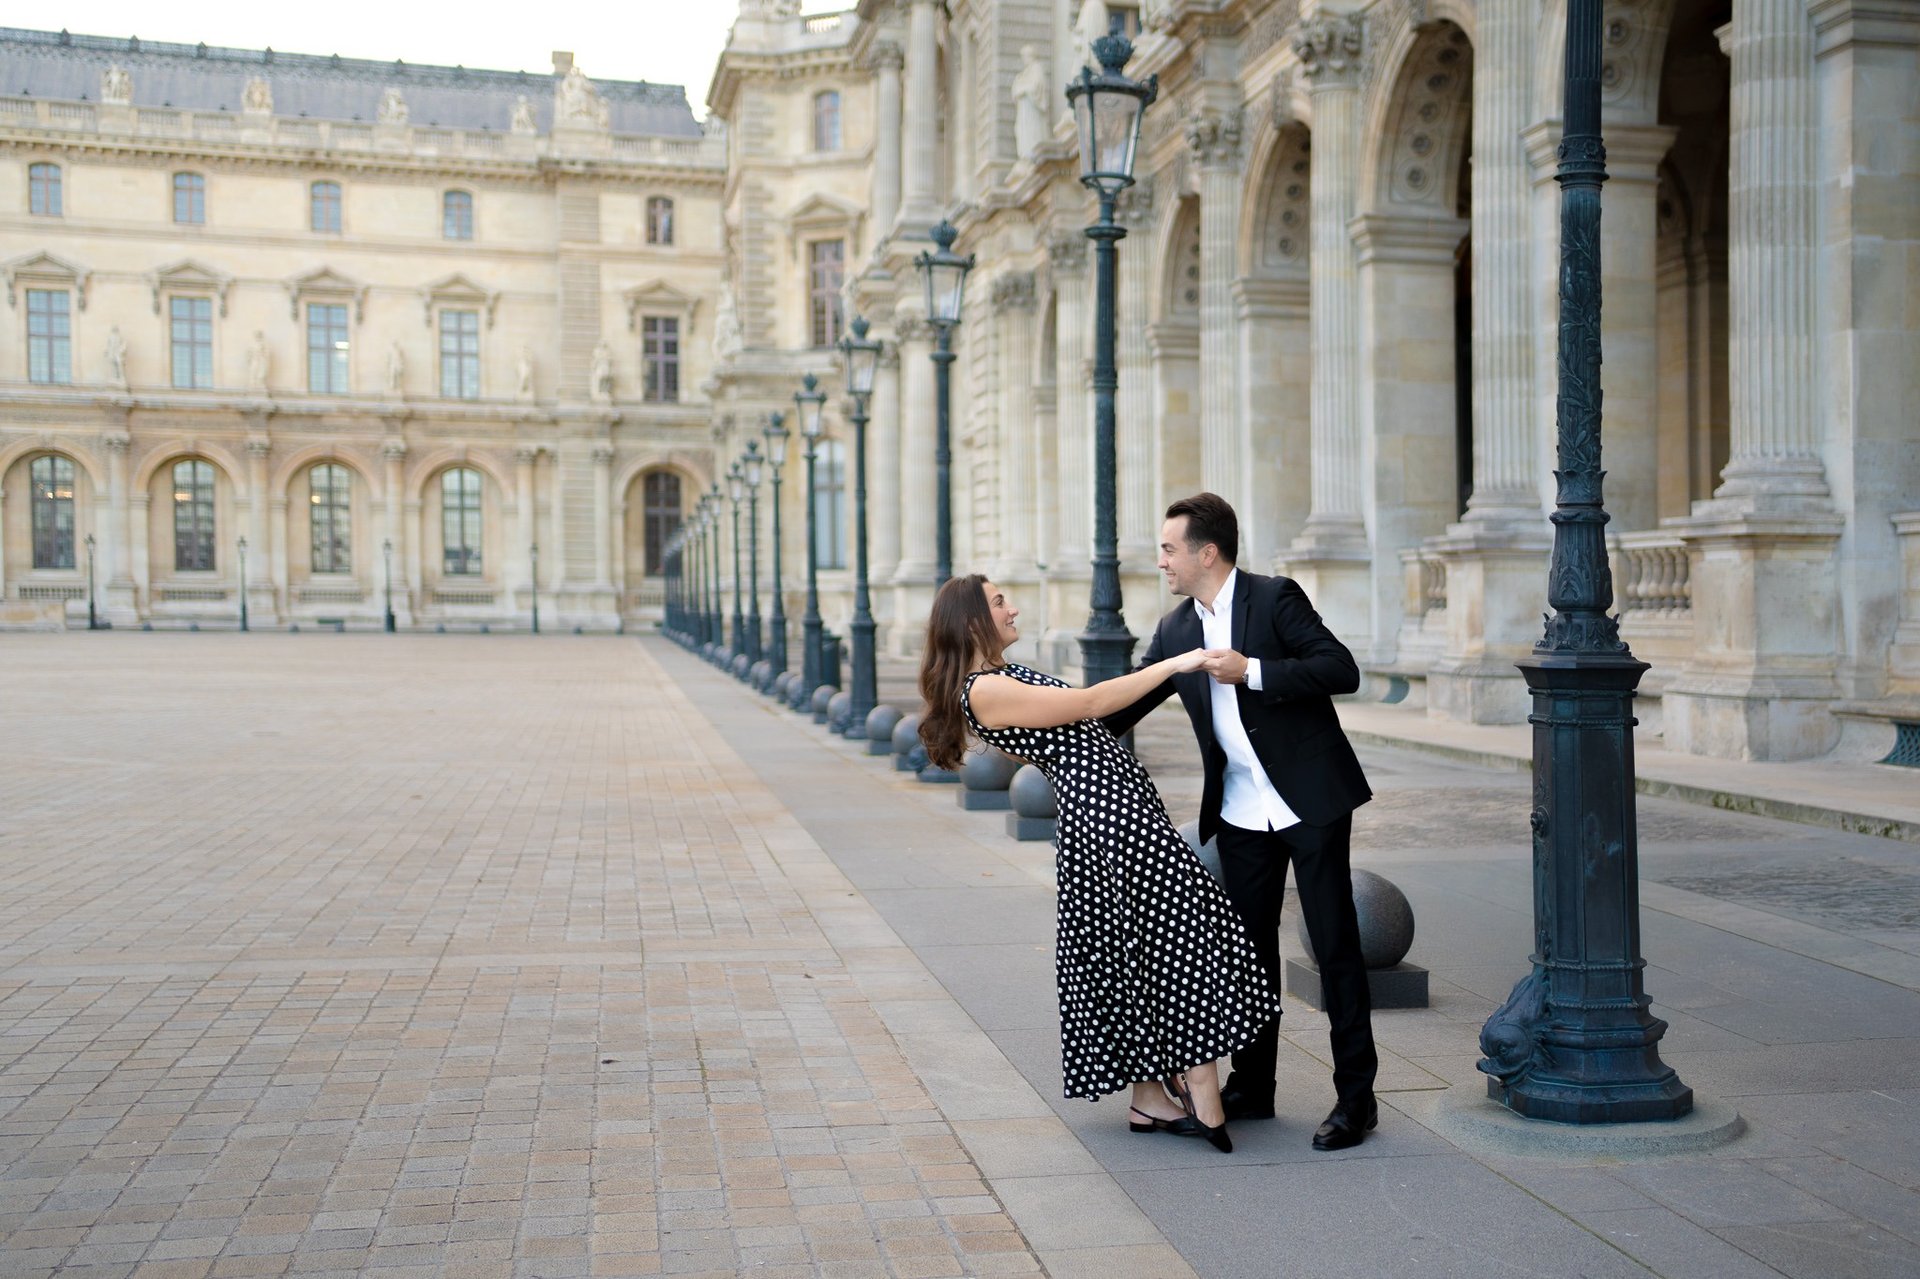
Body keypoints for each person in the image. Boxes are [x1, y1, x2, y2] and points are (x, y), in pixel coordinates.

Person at [919, 573, 1280, 1152]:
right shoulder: (982, 689)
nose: (1013, 609)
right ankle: (1201, 1085)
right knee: (1187, 932)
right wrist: (1175, 664)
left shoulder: (1002, 676)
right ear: (970, 621)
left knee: (1132, 949)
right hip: (1109, 821)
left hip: (1112, 812)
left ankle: (1149, 1099)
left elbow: (1073, 731)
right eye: (999, 602)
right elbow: (1088, 705)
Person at [1102, 492, 1380, 1151]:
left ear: (1207, 553)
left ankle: (1356, 1100)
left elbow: (1340, 669)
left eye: (1168, 548)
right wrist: (1036, 721)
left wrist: (1252, 670)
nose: (1160, 560)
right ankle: (1254, 1086)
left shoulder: (1275, 598)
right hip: (1238, 812)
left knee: (1336, 946)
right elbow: (1122, 705)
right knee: (1249, 957)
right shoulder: (1175, 631)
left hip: (1309, 799)